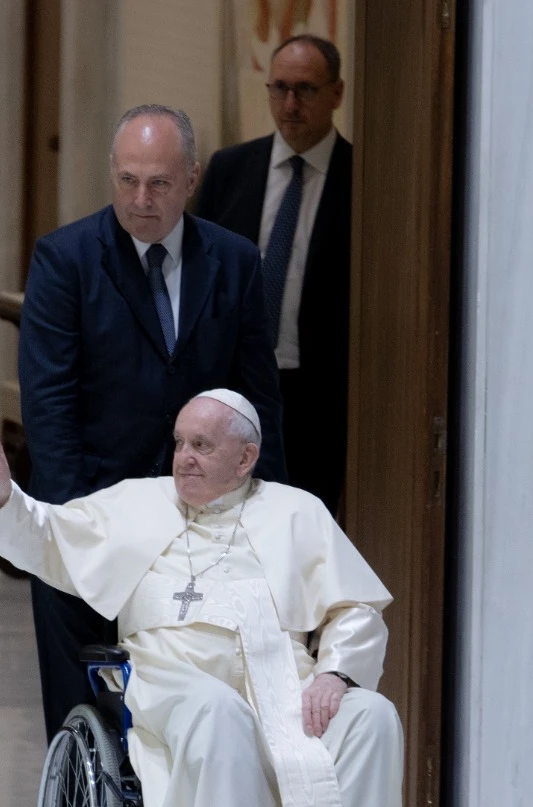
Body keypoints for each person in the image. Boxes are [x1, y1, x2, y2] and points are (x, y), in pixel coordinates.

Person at [0, 390, 403, 807]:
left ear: (246, 458)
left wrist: (337, 675)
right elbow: (47, 536)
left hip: (286, 681)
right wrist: (0, 490)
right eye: (180, 443)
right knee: (219, 713)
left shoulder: (297, 511)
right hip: (171, 680)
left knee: (372, 717)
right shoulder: (134, 504)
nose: (184, 456)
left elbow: (354, 607)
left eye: (203, 445)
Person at [18, 103, 288, 741]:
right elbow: (50, 405)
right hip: (90, 515)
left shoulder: (234, 261)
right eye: (128, 180)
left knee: (193, 708)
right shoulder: (65, 261)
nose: (142, 199)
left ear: (192, 179)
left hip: (203, 522)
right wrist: (84, 526)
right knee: (85, 717)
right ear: (112, 175)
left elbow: (257, 399)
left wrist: (269, 516)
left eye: (160, 183)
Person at [194, 35, 351, 512]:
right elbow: (200, 275)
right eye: (279, 88)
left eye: (304, 89)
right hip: (237, 383)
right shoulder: (230, 169)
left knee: (302, 524)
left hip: (318, 394)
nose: (289, 104)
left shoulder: (362, 178)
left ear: (336, 94)